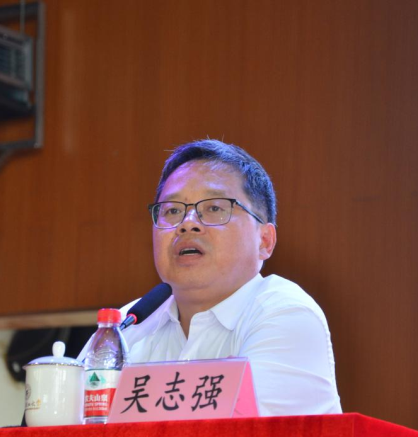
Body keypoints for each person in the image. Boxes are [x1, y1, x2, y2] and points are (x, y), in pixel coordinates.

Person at [115, 139, 340, 416]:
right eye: (172, 210)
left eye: (214, 208)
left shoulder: (286, 312)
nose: (188, 223)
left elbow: (239, 436)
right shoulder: (127, 325)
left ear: (264, 240)